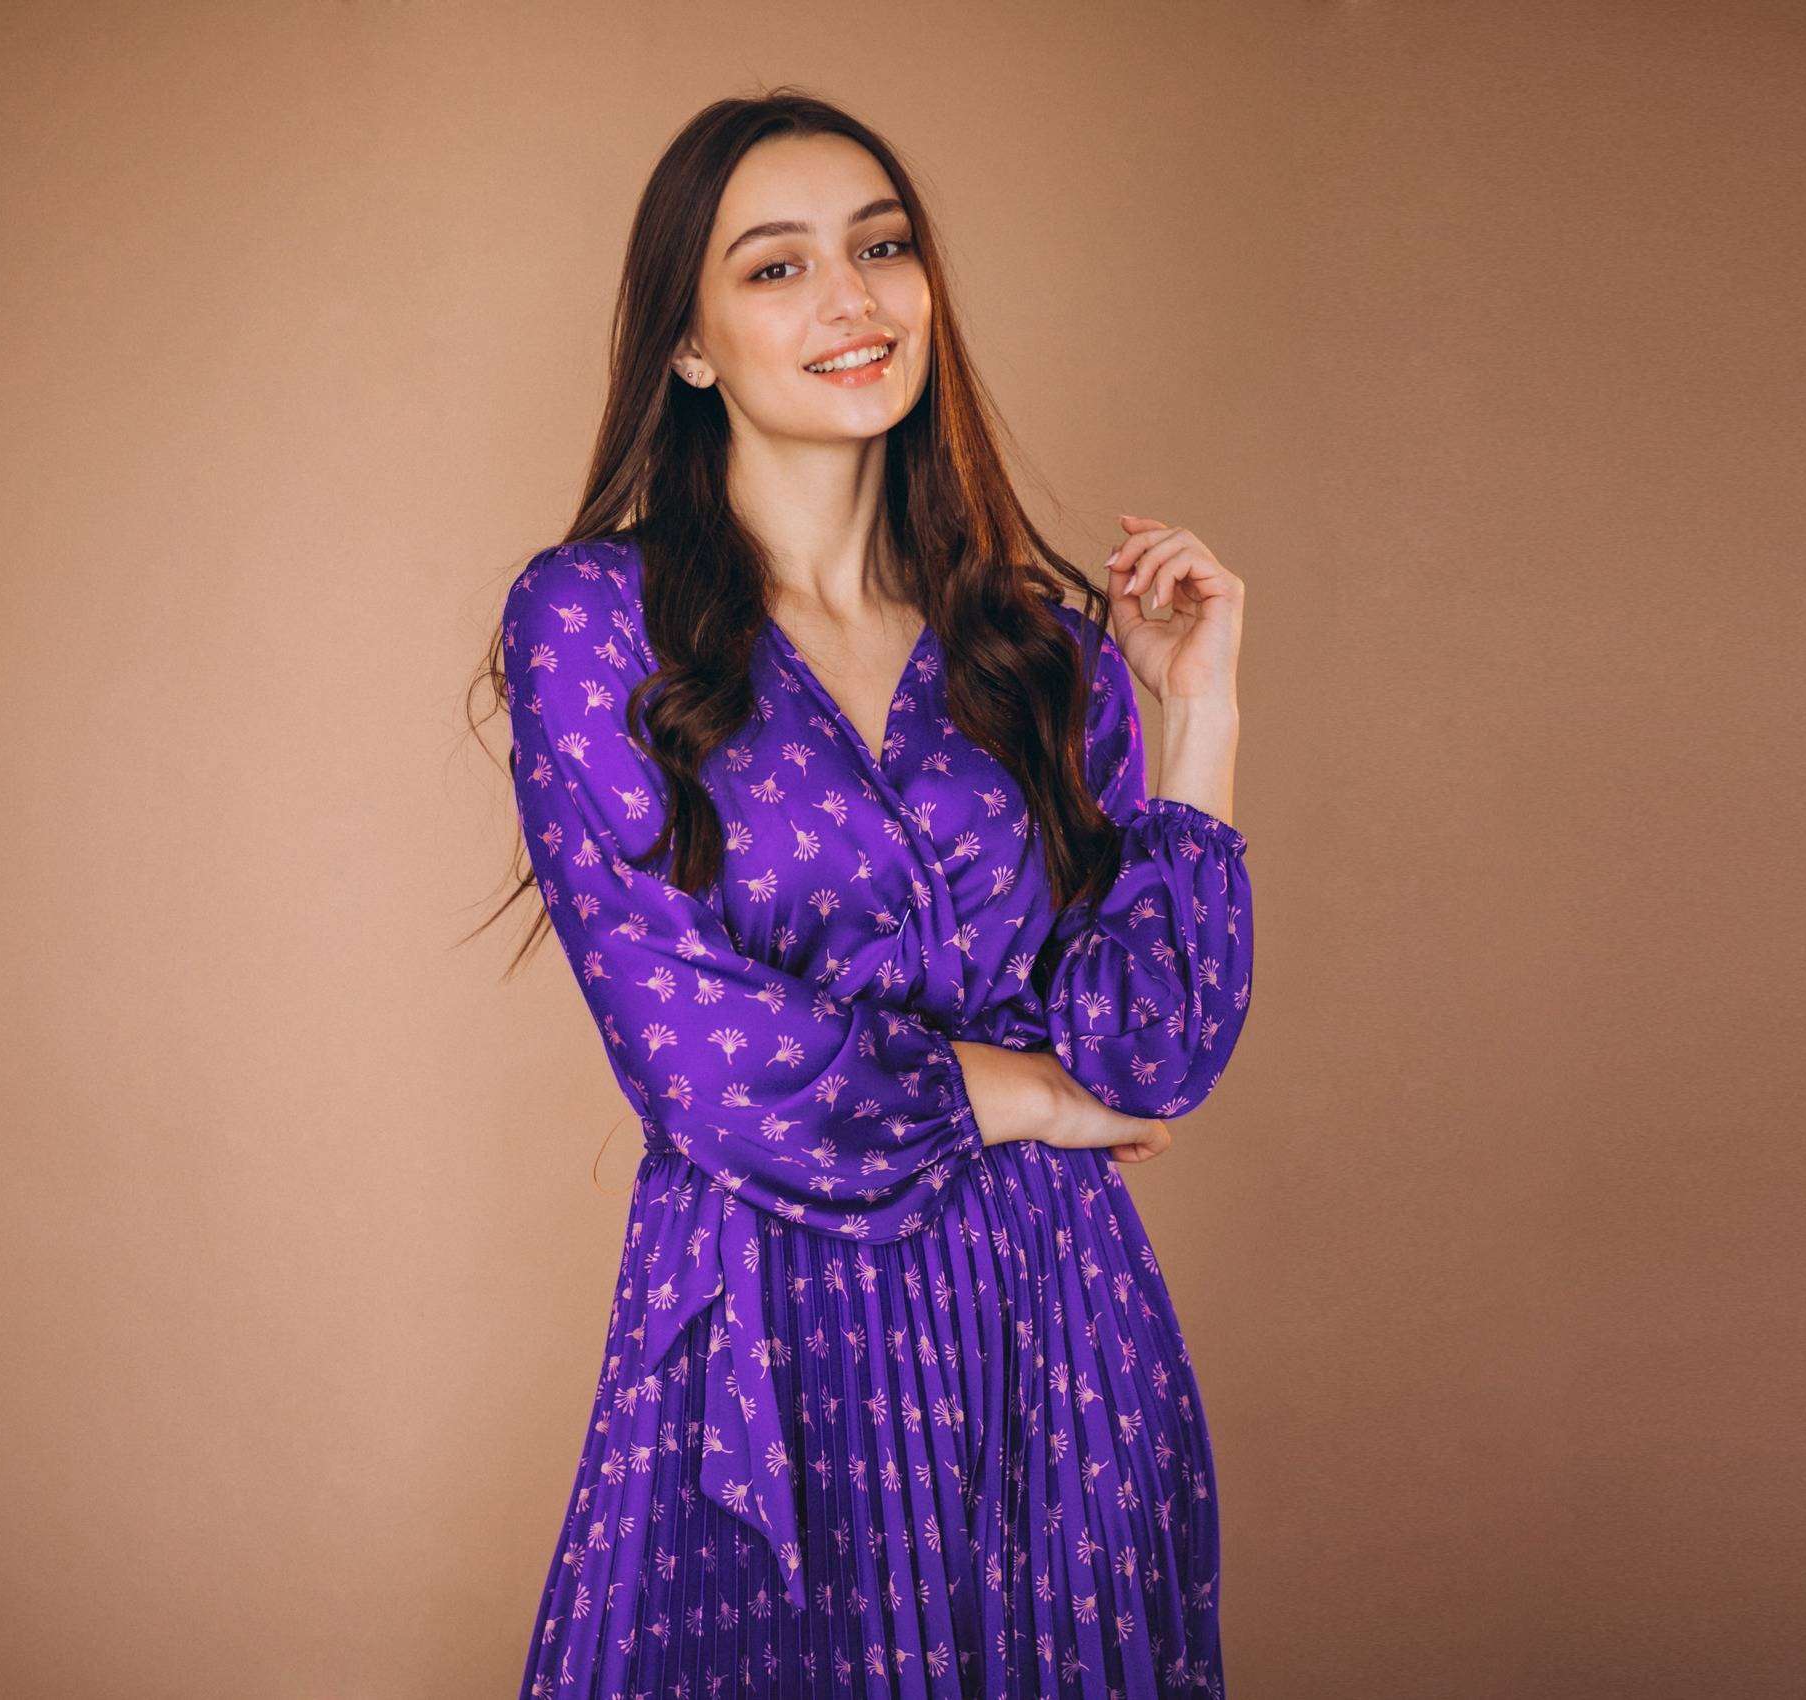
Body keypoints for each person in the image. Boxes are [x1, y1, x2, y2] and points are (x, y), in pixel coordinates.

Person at [486, 88, 1251, 1699]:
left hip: (1059, 1334)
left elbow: (1154, 1049)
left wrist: (1197, 717)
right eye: (776, 269)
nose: (851, 299)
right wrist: (1018, 1097)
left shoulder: (1039, 652)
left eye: (882, 247)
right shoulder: (594, 623)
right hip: (776, 1329)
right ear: (687, 345)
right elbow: (701, 1058)